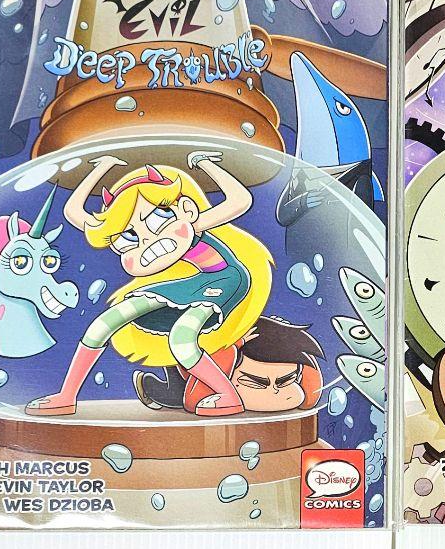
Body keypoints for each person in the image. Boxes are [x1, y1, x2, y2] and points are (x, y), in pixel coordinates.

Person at [26, 153, 271, 418]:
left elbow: (241, 200)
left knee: (182, 337)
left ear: (186, 210)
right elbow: (74, 213)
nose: (148, 240)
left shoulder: (194, 223)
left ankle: (228, 396)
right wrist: (100, 169)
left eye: (156, 220)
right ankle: (66, 396)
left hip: (226, 279)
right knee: (102, 324)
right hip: (192, 284)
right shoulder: (171, 234)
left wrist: (205, 163)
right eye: (129, 237)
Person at [135, 316, 324, 414]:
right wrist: (235, 346)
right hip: (191, 364)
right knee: (176, 391)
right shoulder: (216, 375)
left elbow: (310, 383)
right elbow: (193, 402)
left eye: (286, 381)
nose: (274, 391)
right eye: (256, 383)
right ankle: (154, 383)